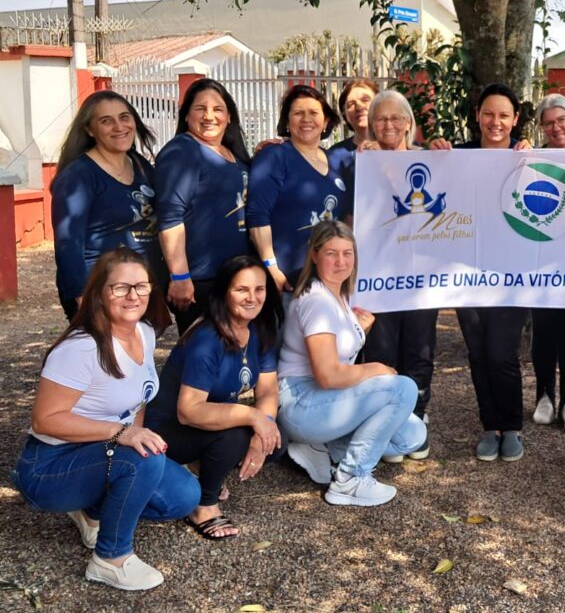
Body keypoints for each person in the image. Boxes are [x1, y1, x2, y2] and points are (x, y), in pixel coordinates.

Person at [12, 249, 198, 591]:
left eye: (141, 287)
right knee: (142, 462)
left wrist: (135, 436)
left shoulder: (144, 332)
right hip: (49, 466)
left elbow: (139, 399)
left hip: (100, 453)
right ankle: (110, 559)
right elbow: (44, 421)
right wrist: (122, 434)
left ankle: (92, 511)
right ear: (99, 292)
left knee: (183, 497)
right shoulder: (81, 348)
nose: (133, 296)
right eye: (120, 288)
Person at [276, 220, 425, 505]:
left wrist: (359, 330)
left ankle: (322, 447)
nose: (341, 261)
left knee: (412, 435)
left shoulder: (339, 294)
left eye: (348, 253)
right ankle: (350, 478)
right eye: (332, 253)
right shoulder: (316, 301)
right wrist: (377, 370)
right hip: (301, 402)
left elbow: (337, 354)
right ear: (314, 255)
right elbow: (329, 376)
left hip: (324, 401)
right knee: (402, 389)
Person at [147, 255, 285, 539]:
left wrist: (263, 429)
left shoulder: (258, 328)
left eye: (259, 289)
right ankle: (203, 505)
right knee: (235, 436)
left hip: (202, 423)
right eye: (241, 290)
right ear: (223, 293)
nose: (252, 298)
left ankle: (200, 468)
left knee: (276, 438)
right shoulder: (207, 339)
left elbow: (269, 390)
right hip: (166, 431)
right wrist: (252, 416)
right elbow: (189, 411)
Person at [430, 83, 532, 462]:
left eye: (504, 115)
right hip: (467, 273)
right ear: (477, 115)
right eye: (489, 113)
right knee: (478, 352)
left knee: (502, 353)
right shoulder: (460, 155)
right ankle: (491, 425)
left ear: (516, 119)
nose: (496, 122)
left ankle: (513, 427)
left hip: (512, 275)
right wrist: (437, 151)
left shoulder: (527, 156)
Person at [357, 90, 436, 459]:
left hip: (422, 278)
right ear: (371, 124)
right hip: (377, 277)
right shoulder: (358, 162)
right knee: (380, 349)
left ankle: (415, 422)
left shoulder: (432, 161)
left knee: (419, 350)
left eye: (395, 118)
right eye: (380, 118)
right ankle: (384, 426)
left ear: (408, 122)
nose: (388, 125)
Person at [51, 91, 162, 320]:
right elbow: (68, 245)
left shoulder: (139, 164)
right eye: (106, 121)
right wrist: (83, 301)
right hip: (102, 289)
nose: (119, 126)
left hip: (139, 286)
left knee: (137, 354)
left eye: (124, 117)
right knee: (107, 355)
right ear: (90, 130)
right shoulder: (79, 177)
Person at [156, 77, 253, 334]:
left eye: (217, 109)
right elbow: (170, 217)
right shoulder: (182, 152)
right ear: (186, 115)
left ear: (229, 116)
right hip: (201, 280)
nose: (209, 116)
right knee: (206, 355)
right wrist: (179, 277)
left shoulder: (232, 153)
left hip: (237, 276)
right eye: (200, 109)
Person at [248, 85, 350, 295]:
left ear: (326, 121)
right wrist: (272, 268)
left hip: (329, 276)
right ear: (287, 121)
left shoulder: (335, 160)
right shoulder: (274, 156)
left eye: (314, 113)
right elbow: (258, 214)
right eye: (298, 113)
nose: (306, 119)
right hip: (287, 278)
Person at [530, 94, 565, 436]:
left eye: (561, 120)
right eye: (548, 123)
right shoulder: (532, 157)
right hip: (540, 258)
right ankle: (544, 396)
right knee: (544, 327)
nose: (556, 127)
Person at [326, 79, 379, 204]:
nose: (359, 107)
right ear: (345, 115)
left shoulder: (400, 148)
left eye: (365, 100)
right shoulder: (335, 155)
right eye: (351, 104)